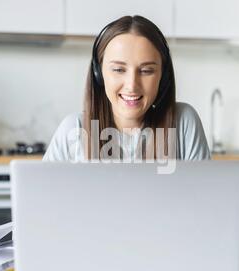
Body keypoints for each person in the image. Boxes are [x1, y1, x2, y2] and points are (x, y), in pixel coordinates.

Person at [43, 15, 210, 162]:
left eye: (146, 71)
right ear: (98, 73)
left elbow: (207, 195)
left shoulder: (183, 121)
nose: (131, 85)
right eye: (118, 70)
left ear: (163, 76)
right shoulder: (74, 129)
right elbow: (40, 196)